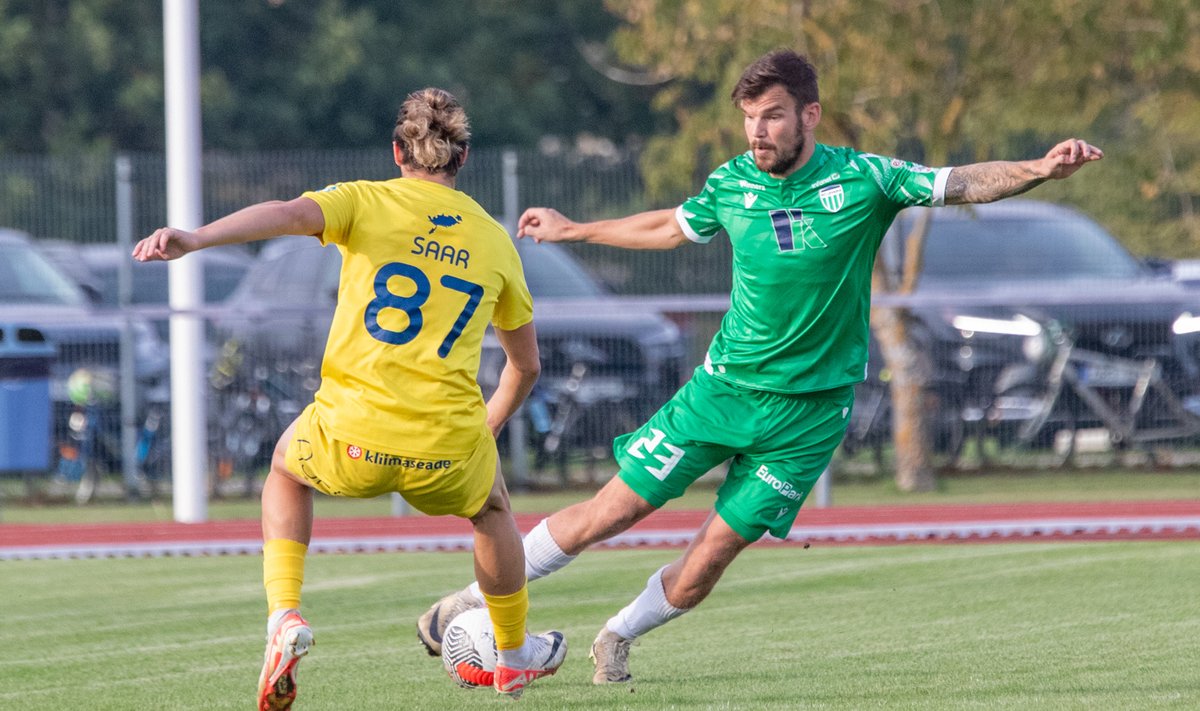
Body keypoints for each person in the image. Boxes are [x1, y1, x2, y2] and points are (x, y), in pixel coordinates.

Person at [416, 49, 1104, 685]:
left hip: (807, 417)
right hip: (721, 392)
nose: (757, 132)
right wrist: (577, 230)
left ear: (809, 114)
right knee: (612, 509)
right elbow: (670, 227)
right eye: (749, 118)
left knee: (710, 557)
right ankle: (472, 599)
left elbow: (961, 183)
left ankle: (618, 634)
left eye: (771, 115)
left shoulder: (865, 179)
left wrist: (1039, 169)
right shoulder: (733, 182)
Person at [133, 88, 566, 708]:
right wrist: (486, 432)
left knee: (285, 468)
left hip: (351, 433)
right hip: (447, 444)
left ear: (396, 151)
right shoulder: (495, 242)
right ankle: (515, 653)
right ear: (463, 157)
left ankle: (284, 614)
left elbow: (283, 213)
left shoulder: (362, 200)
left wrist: (194, 239)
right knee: (492, 511)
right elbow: (525, 367)